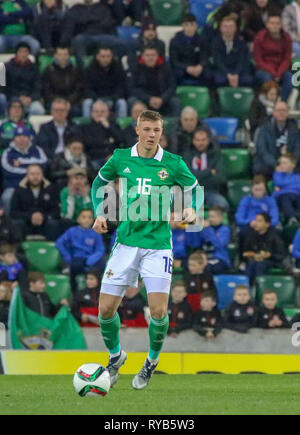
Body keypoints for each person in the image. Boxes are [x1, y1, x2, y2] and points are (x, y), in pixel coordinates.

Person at [92, 109, 203, 390]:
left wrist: (190, 208)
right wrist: (100, 212)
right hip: (126, 244)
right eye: (147, 130)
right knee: (104, 310)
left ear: (161, 132)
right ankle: (116, 356)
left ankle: (151, 361)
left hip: (158, 248)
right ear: (138, 130)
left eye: (157, 130)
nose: (152, 135)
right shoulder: (120, 158)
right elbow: (99, 183)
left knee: (157, 312)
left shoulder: (173, 163)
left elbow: (195, 189)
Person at [60, 0, 127, 66]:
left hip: (102, 35)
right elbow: (69, 27)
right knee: (78, 40)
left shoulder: (103, 7)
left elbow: (109, 24)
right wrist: (64, 44)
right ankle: (84, 70)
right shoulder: (75, 9)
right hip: (85, 35)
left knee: (122, 43)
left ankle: (115, 69)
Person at [1, 126, 48, 214]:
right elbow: (8, 171)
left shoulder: (37, 150)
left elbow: (44, 165)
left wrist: (21, 163)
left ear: (29, 138)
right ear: (14, 139)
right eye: (18, 137)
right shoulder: (7, 152)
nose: (21, 139)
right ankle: (8, 223)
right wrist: (32, 169)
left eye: (24, 136)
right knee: (7, 197)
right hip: (14, 185)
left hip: (37, 185)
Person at [56, 208, 106, 292]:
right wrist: (67, 257)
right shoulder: (72, 231)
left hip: (90, 259)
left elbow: (100, 249)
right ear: (78, 219)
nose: (87, 220)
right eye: (84, 217)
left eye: (89, 217)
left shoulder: (96, 233)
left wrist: (91, 259)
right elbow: (59, 243)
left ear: (93, 220)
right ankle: (74, 291)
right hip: (77, 259)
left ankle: (96, 293)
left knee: (102, 263)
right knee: (75, 266)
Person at [10, 164, 60, 241]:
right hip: (26, 223)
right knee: (17, 223)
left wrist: (43, 216)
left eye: (38, 174)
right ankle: (19, 251)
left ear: (42, 175)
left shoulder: (51, 189)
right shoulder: (19, 190)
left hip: (45, 222)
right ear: (27, 176)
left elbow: (56, 211)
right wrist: (30, 216)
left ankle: (52, 251)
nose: (35, 177)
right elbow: (13, 213)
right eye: (32, 174)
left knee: (54, 223)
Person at [127, 46, 181, 117]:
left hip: (163, 100)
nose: (150, 58)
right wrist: (149, 99)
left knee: (175, 102)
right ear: (142, 56)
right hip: (144, 100)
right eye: (147, 55)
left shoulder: (166, 67)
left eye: (153, 55)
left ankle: (174, 126)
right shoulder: (136, 68)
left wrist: (162, 99)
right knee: (132, 100)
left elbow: (172, 86)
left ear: (157, 56)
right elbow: (132, 88)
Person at [183, 127, 228, 210]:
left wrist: (196, 176)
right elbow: (186, 178)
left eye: (203, 140)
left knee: (222, 204)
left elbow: (220, 178)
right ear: (193, 141)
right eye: (198, 140)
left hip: (211, 191)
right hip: (191, 192)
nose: (201, 143)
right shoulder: (187, 155)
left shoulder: (216, 155)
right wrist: (209, 172)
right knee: (176, 204)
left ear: (208, 140)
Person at [235, 174, 279, 258]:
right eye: (256, 189)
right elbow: (239, 218)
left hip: (266, 227)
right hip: (250, 226)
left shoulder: (270, 201)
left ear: (265, 189)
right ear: (251, 189)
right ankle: (243, 260)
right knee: (243, 232)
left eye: (261, 189)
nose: (258, 191)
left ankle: (272, 259)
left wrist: (265, 225)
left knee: (275, 232)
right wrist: (250, 222)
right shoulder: (246, 200)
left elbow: (275, 218)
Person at [253, 101, 300, 177]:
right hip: (269, 164)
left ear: (288, 113)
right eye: (278, 110)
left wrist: (289, 164)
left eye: (284, 110)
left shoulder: (295, 129)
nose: (281, 113)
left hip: (290, 164)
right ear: (273, 112)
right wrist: (276, 165)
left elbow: (298, 149)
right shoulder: (264, 128)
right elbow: (262, 150)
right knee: (260, 166)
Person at [253, 13, 293, 101]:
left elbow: (287, 58)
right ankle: (268, 106)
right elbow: (258, 60)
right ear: (267, 25)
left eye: (277, 23)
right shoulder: (260, 37)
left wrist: (279, 72)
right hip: (264, 69)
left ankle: (282, 104)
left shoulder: (287, 38)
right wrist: (273, 73)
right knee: (268, 81)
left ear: (281, 25)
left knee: (290, 79)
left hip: (281, 69)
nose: (275, 26)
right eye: (272, 23)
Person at [82, 46, 127, 119]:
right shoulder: (89, 70)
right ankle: (87, 128)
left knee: (122, 103)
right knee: (87, 103)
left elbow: (121, 87)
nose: (105, 59)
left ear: (112, 57)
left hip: (113, 99)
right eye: (102, 56)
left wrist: (113, 99)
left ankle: (121, 128)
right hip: (95, 99)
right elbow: (87, 88)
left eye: (108, 56)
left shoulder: (118, 69)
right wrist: (97, 100)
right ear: (97, 57)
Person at [78, 100, 124, 169]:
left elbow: (120, 140)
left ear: (108, 113)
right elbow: (88, 143)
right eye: (96, 111)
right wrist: (107, 142)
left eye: (102, 112)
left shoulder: (114, 126)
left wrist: (108, 126)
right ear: (91, 113)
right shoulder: (86, 127)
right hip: (94, 159)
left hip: (111, 158)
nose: (99, 114)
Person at [211, 14, 254, 87]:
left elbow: (242, 60)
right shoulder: (215, 43)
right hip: (222, 70)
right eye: (225, 26)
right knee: (218, 80)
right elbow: (218, 61)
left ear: (235, 28)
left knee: (247, 80)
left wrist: (236, 74)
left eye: (231, 26)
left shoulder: (241, 42)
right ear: (220, 28)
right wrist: (228, 74)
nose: (228, 29)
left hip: (238, 70)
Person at [243, 213, 285, 285]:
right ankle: (246, 287)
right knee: (251, 264)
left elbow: (281, 255)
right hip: (254, 260)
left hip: (271, 262)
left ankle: (259, 288)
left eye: (260, 221)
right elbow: (245, 252)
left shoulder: (274, 237)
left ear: (267, 224)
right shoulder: (251, 235)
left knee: (260, 265)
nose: (256, 223)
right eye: (256, 220)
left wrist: (269, 255)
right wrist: (251, 254)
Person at [187, 206, 231, 274]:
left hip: (220, 259)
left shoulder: (224, 230)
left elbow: (219, 245)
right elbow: (195, 244)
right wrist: (195, 229)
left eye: (212, 216)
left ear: (220, 218)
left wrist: (207, 229)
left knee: (208, 268)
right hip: (204, 258)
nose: (210, 219)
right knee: (191, 266)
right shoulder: (205, 229)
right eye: (209, 216)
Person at [169, 13, 210, 86]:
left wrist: (200, 66)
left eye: (192, 25)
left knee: (208, 73)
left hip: (197, 67)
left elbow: (205, 56)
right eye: (186, 25)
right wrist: (187, 68)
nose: (189, 28)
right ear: (182, 26)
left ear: (196, 26)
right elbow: (174, 60)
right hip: (183, 67)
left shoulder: (202, 39)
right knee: (176, 73)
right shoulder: (175, 41)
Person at [4, 42, 45, 116]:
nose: (23, 54)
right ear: (16, 53)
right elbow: (4, 88)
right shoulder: (6, 67)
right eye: (21, 51)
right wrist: (18, 98)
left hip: (30, 99)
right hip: (11, 97)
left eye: (26, 51)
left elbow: (38, 87)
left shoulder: (34, 68)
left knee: (38, 110)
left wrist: (31, 98)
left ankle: (28, 127)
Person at [42, 46, 83, 115]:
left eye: (65, 55)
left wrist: (68, 102)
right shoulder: (48, 70)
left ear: (69, 56)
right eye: (60, 55)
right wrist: (56, 101)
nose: (62, 57)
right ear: (55, 56)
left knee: (76, 111)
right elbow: (46, 90)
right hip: (53, 101)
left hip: (71, 102)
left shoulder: (75, 70)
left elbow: (78, 89)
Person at [272, 153, 300, 224]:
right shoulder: (277, 174)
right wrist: (292, 184)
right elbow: (278, 182)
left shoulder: (297, 176)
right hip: (283, 196)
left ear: (293, 165)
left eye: (285, 163)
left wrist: (284, 186)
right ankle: (291, 218)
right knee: (285, 198)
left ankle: (297, 216)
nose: (281, 165)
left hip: (296, 195)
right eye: (280, 163)